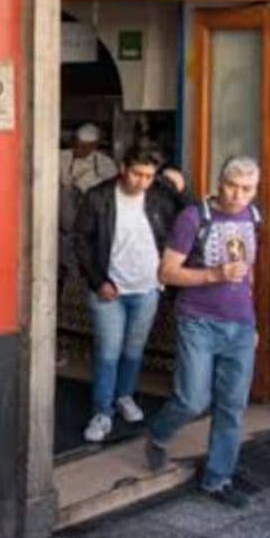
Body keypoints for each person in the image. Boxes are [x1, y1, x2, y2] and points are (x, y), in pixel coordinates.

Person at [144, 156, 262, 509]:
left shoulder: (253, 218)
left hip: (240, 325)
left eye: (247, 189)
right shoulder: (193, 218)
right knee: (193, 399)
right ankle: (159, 433)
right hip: (198, 321)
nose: (238, 196)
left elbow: (248, 274)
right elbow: (166, 273)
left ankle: (217, 479)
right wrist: (213, 275)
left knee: (232, 406)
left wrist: (252, 321)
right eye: (232, 186)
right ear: (219, 182)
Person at [73, 148, 189, 443]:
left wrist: (181, 189)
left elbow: (191, 217)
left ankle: (124, 396)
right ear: (123, 168)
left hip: (148, 287)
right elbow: (81, 240)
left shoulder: (159, 195)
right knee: (108, 353)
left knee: (133, 350)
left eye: (149, 176)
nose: (141, 182)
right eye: (137, 174)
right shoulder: (98, 197)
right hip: (109, 289)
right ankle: (102, 412)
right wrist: (98, 281)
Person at [58, 125, 119, 306]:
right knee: (65, 263)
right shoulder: (60, 158)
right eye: (79, 144)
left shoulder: (105, 163)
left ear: (95, 145)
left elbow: (111, 192)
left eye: (87, 146)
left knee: (88, 262)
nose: (82, 150)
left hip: (91, 224)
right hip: (64, 222)